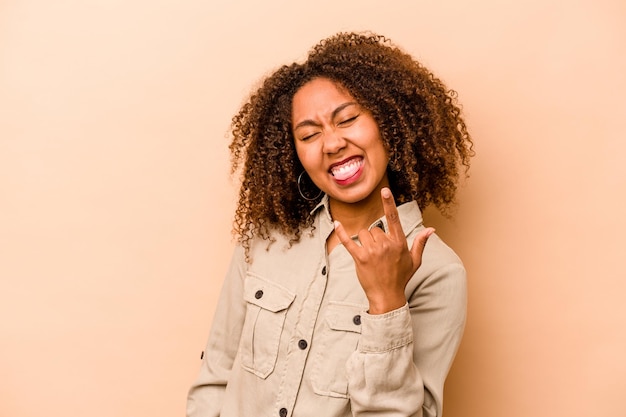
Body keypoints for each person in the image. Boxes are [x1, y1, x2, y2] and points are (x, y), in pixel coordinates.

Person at [187, 32, 473, 417]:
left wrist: (386, 304)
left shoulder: (438, 272)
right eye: (309, 134)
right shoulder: (266, 239)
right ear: (295, 152)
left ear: (387, 122)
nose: (332, 143)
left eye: (348, 119)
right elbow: (216, 377)